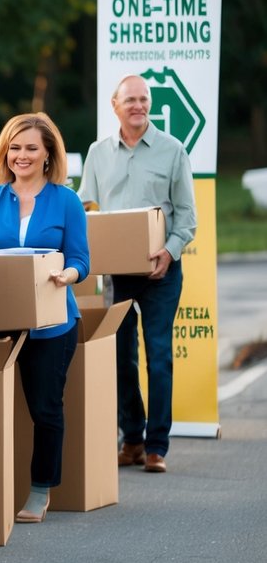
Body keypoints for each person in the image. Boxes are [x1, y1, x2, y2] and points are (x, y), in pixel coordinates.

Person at [78, 74, 196, 474]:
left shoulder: (172, 150)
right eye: (130, 100)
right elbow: (86, 206)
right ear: (115, 105)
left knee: (158, 356)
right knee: (119, 357)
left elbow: (187, 218)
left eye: (144, 100)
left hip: (162, 269)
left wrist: (169, 251)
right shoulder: (99, 153)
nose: (138, 106)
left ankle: (157, 446)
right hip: (117, 273)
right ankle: (132, 439)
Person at [0, 113, 90, 523]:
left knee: (45, 408)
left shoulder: (66, 200)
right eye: (14, 147)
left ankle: (40, 490)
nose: (21, 156)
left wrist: (68, 274)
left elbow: (81, 258)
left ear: (48, 154)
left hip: (52, 321)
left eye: (31, 148)